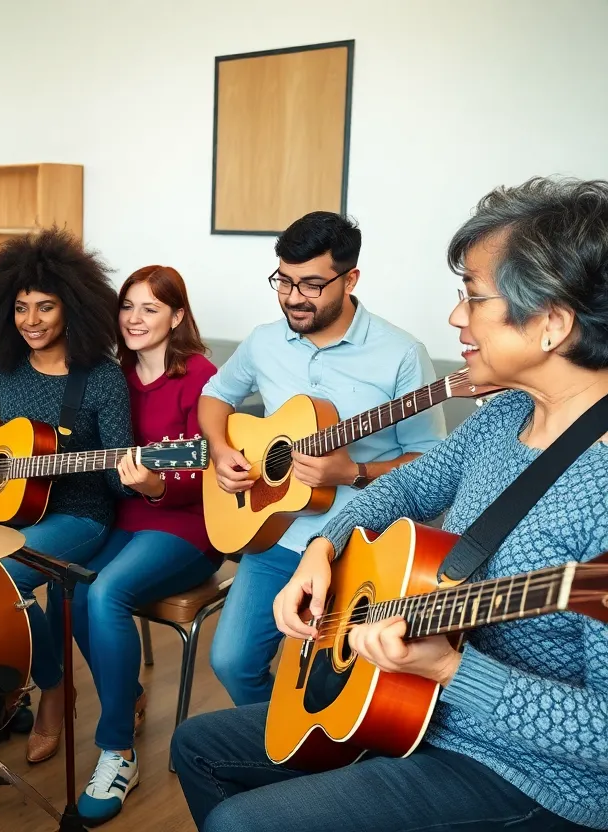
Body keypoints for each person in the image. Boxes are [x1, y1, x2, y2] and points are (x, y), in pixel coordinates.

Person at [175, 178, 608, 830]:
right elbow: (403, 489)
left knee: (243, 822)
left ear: (551, 324)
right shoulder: (504, 417)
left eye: (473, 296)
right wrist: (323, 547)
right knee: (195, 747)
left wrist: (450, 667)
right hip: (410, 705)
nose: (457, 318)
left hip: (528, 775)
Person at [199, 211, 447, 706]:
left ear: (350, 278)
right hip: (275, 531)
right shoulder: (264, 341)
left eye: (311, 284)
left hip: (360, 544)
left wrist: (352, 473)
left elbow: (432, 464)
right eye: (283, 281)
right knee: (230, 662)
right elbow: (214, 395)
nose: (293, 297)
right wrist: (222, 450)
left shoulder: (401, 354)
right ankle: (272, 749)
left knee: (328, 684)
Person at [0, 226, 133, 764]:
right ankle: (31, 683)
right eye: (21, 308)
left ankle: (53, 687)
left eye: (45, 307)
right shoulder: (8, 365)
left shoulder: (102, 379)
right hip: (15, 510)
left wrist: (140, 474)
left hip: (83, 514)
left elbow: (117, 476)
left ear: (72, 306)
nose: (31, 321)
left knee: (1, 578)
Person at [69, 265, 222, 824]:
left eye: (150, 308)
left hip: (189, 526)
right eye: (128, 306)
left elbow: (210, 469)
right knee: (76, 590)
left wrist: (157, 483)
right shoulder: (113, 375)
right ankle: (125, 693)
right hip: (125, 516)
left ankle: (118, 752)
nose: (134, 318)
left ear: (177, 316)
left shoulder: (201, 375)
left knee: (107, 592)